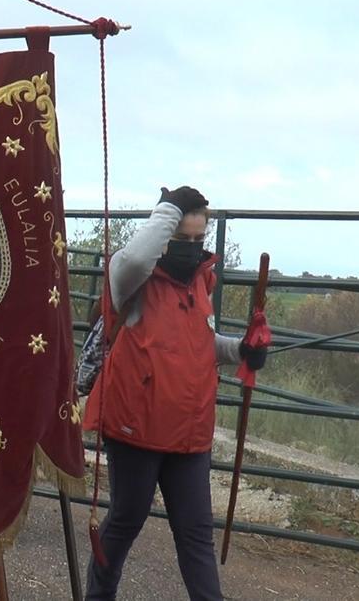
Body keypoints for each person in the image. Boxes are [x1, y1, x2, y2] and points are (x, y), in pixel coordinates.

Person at [81, 186, 269, 601]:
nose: (192, 248)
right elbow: (131, 257)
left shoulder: (201, 283)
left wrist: (241, 350)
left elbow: (202, 341)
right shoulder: (132, 279)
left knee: (196, 532)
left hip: (190, 430)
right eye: (181, 239)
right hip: (136, 427)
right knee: (127, 520)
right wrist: (170, 207)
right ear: (162, 235)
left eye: (199, 240)